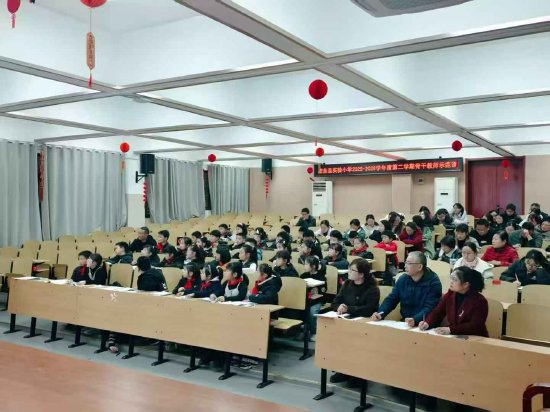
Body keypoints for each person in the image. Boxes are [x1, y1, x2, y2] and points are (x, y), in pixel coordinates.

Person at [329, 259, 380, 384]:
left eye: (352, 270)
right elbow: (335, 302)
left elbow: (369, 309)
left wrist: (348, 309)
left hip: (363, 324)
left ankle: (358, 375)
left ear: (361, 274)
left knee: (357, 344)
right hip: (346, 321)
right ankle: (343, 371)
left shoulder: (372, 289)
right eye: (349, 269)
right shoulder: (347, 284)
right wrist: (339, 307)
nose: (349, 272)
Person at [371, 251, 442, 327]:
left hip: (425, 325)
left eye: (409, 263)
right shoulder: (403, 279)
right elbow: (391, 299)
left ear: (419, 267)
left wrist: (415, 319)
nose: (405, 266)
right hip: (406, 323)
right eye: (405, 262)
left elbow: (430, 308)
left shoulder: (434, 283)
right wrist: (380, 313)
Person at [419, 267, 488, 337]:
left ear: (465, 284)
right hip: (454, 336)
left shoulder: (480, 301)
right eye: (451, 278)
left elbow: (475, 326)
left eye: (455, 279)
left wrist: (450, 329)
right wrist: (427, 323)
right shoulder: (450, 295)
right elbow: (438, 312)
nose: (451, 282)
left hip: (475, 338)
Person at [300, 256, 327, 342]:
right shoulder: (303, 275)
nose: (304, 266)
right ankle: (304, 330)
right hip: (304, 299)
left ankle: (314, 332)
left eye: (306, 264)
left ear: (313, 266)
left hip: (316, 301)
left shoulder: (321, 277)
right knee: (298, 309)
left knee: (312, 312)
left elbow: (322, 292)